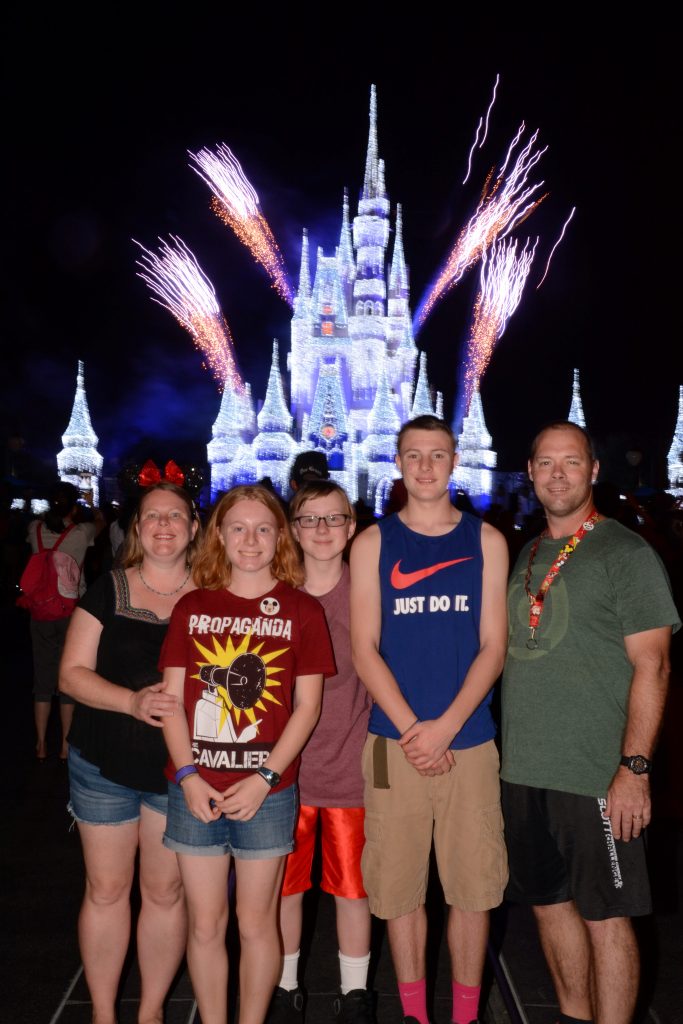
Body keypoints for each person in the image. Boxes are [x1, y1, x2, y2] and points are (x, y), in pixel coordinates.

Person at [501, 421, 680, 1024]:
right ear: (529, 471)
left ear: (593, 471)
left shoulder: (625, 553)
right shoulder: (528, 552)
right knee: (549, 907)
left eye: (571, 463)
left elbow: (653, 665)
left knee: (607, 915)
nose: (558, 474)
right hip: (525, 770)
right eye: (546, 463)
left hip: (596, 773)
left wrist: (634, 769)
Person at [350, 415, 509, 1024]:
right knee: (397, 888)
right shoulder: (374, 543)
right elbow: (365, 648)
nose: (424, 466)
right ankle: (415, 1014)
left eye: (436, 455)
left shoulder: (486, 541)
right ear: (397, 462)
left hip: (468, 741)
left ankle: (466, 1015)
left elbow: (492, 647)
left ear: (453, 461)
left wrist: (444, 727)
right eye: (412, 455)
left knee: (473, 889)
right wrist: (415, 730)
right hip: (395, 744)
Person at [159, 484, 336, 1024]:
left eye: (263, 528)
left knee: (258, 922)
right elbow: (170, 702)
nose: (251, 540)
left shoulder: (302, 610)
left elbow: (306, 707)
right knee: (206, 924)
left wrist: (264, 776)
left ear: (281, 535)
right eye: (237, 527)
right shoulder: (192, 607)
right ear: (218, 535)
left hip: (270, 791)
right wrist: (188, 775)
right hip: (195, 787)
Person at [60, 480, 200, 1024]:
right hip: (104, 762)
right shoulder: (107, 588)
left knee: (164, 892)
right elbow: (71, 674)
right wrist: (131, 701)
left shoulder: (214, 593)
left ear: (193, 527)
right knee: (106, 888)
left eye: (175, 516)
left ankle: (151, 1012)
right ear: (136, 529)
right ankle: (102, 1013)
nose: (163, 525)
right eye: (152, 517)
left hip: (179, 770)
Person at [268, 481, 373, 1024]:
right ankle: (286, 988)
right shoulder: (273, 594)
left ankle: (354, 994)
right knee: (284, 888)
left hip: (351, 765)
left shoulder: (369, 593)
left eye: (334, 519)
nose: (323, 530)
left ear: (352, 527)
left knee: (352, 889)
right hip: (281, 772)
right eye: (309, 520)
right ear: (292, 529)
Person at [27, 482, 105, 761]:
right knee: (69, 674)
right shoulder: (81, 533)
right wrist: (91, 503)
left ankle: (39, 743)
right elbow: (100, 521)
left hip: (40, 612)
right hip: (72, 613)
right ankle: (64, 745)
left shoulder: (34, 529)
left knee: (42, 677)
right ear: (72, 507)